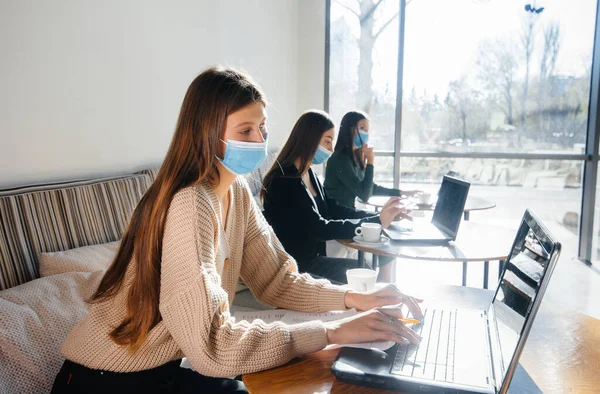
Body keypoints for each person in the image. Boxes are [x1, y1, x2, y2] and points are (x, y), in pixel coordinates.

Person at [51, 68, 423, 394]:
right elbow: (212, 346)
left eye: (262, 128)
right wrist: (332, 333)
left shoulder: (237, 191)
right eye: (245, 130)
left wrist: (356, 299)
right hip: (105, 379)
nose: (259, 140)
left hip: (157, 369)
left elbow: (278, 281)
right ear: (207, 133)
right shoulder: (190, 203)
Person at [261, 110, 410, 284]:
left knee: (366, 271)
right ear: (309, 138)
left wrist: (376, 218)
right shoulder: (284, 179)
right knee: (364, 274)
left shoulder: (309, 173)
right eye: (328, 141)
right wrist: (376, 222)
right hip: (297, 264)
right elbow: (318, 227)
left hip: (313, 257)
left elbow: (334, 208)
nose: (331, 148)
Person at [324, 110, 420, 209]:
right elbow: (364, 195)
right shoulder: (340, 160)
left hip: (348, 212)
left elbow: (371, 188)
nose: (365, 133)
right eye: (362, 128)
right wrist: (370, 161)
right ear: (350, 129)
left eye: (367, 130)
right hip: (337, 215)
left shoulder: (356, 156)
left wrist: (401, 193)